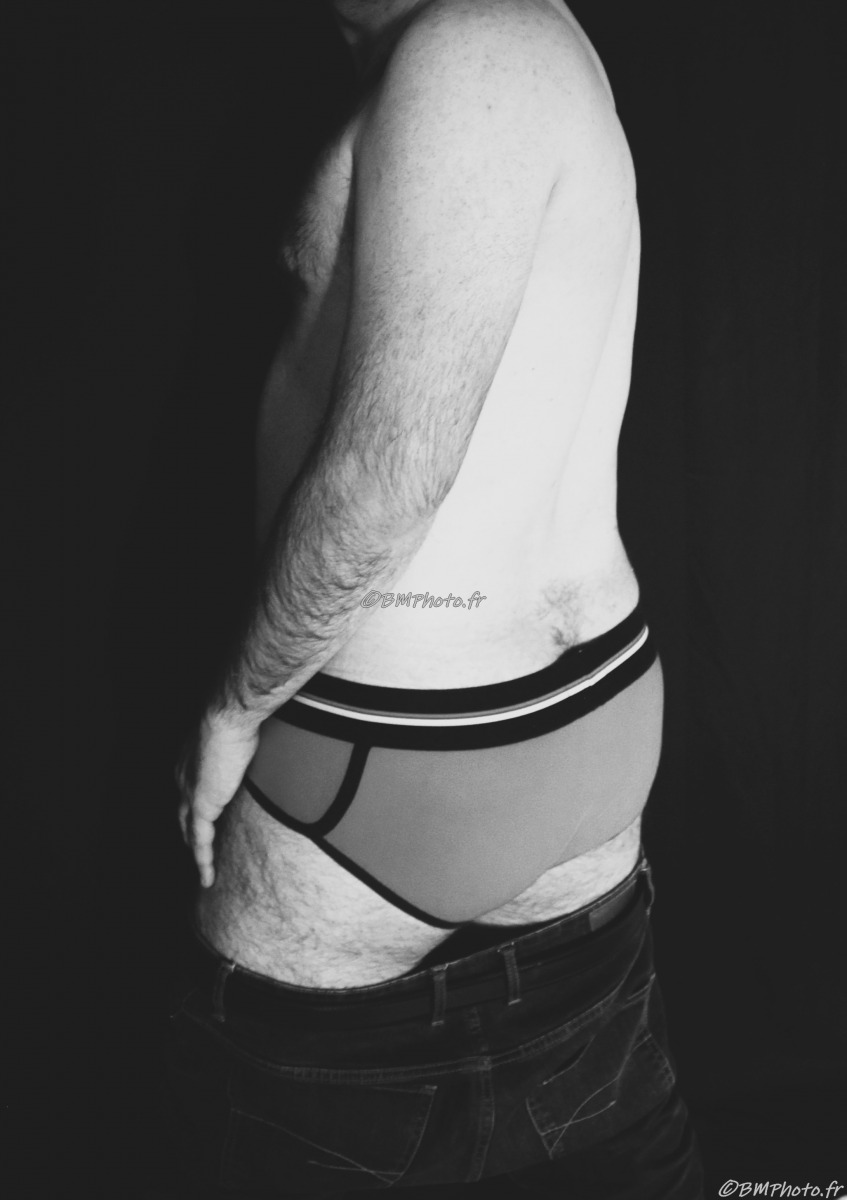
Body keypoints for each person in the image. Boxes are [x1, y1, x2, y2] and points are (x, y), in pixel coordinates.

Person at [167, 0, 704, 1195]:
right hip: (569, 719)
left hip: (394, 748)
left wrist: (234, 711)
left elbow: (387, 476)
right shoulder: (505, 46)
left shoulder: (475, 47)